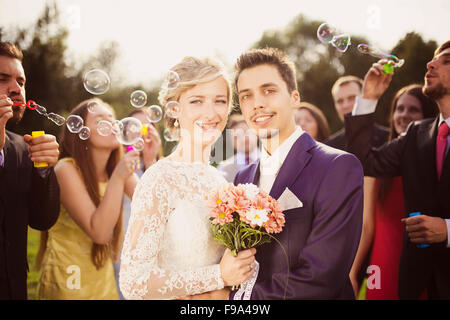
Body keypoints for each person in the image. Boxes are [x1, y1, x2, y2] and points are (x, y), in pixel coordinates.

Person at [217, 47, 363, 299]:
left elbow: (320, 276)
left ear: (294, 97)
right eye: (246, 96)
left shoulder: (338, 167)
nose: (257, 103)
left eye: (269, 91)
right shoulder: (242, 179)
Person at [119, 56, 257, 300]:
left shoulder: (220, 182)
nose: (211, 112)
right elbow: (133, 283)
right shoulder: (160, 179)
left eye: (220, 101)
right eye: (196, 101)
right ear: (175, 110)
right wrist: (219, 276)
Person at [345, 40, 450, 299]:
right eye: (434, 58)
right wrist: (368, 97)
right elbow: (363, 163)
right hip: (417, 285)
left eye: (446, 60)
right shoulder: (417, 133)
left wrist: (448, 229)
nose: (431, 63)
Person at [37, 98, 140, 299]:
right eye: (100, 119)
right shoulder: (65, 169)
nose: (112, 123)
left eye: (112, 117)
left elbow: (153, 203)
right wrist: (119, 176)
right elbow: (100, 233)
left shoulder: (115, 169)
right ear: (80, 132)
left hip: (102, 278)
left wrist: (151, 157)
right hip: (68, 279)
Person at [0, 41, 60, 299]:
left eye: (21, 82)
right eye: (2, 79)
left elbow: (42, 219)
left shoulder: (22, 147)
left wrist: (44, 171)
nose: (16, 88)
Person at [113, 108, 163, 300]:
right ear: (124, 133)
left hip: (154, 242)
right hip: (124, 238)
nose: (141, 130)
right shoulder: (118, 164)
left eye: (147, 125)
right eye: (134, 126)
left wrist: (151, 160)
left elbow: (159, 204)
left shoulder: (163, 165)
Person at [326, 75, 389, 149]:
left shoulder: (390, 138)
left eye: (352, 98)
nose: (345, 105)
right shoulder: (329, 148)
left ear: (365, 97)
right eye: (340, 101)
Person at [217, 113, 259, 182]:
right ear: (233, 143)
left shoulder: (271, 161)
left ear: (256, 134)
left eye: (246, 132)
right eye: (237, 136)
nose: (243, 139)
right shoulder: (224, 169)